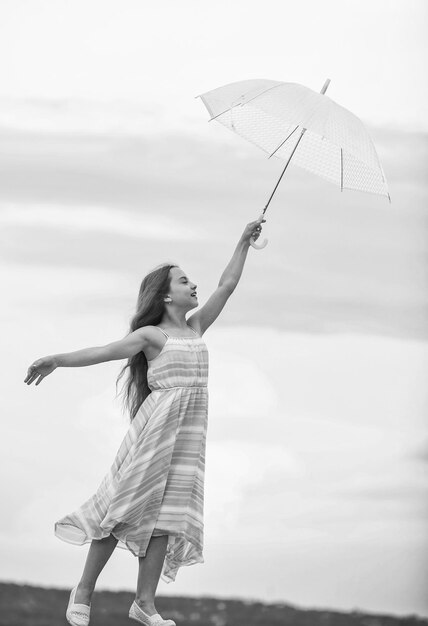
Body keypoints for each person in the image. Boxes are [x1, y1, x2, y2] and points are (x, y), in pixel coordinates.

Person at [24, 217, 265, 626]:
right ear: (166, 296)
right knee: (123, 509)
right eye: (184, 281)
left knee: (166, 517)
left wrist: (243, 241)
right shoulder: (153, 336)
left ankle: (145, 603)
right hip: (154, 435)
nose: (194, 285)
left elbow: (227, 285)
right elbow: (106, 350)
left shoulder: (196, 328)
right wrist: (57, 359)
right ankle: (83, 589)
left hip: (188, 438)